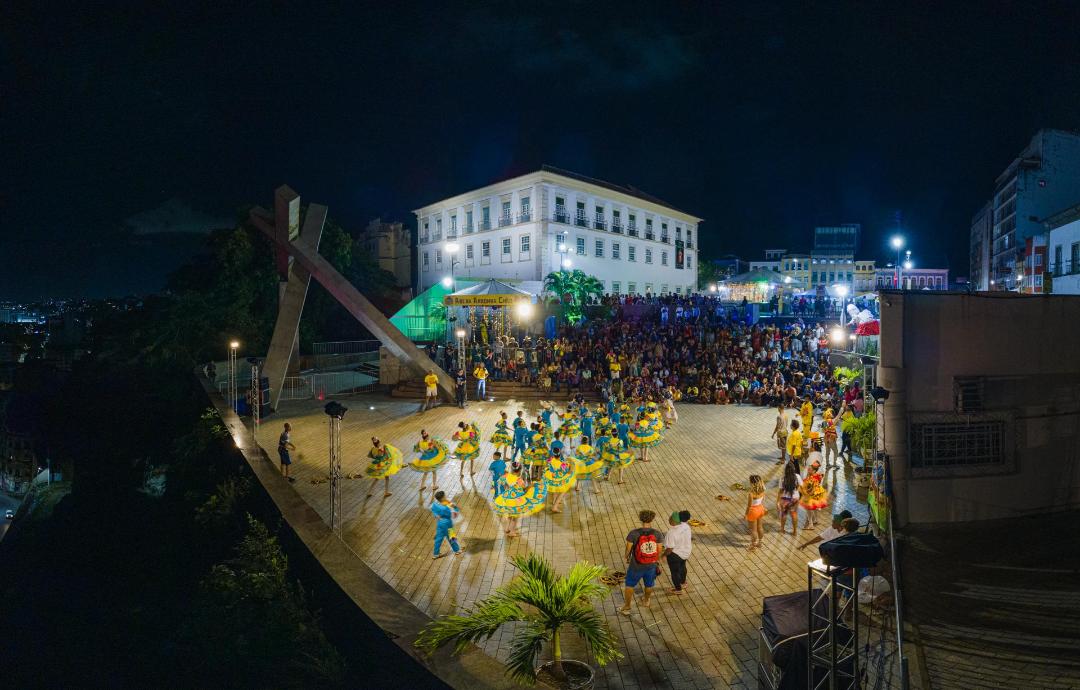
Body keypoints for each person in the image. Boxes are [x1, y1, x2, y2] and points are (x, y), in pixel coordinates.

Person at [619, 510, 664, 615]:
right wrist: (656, 561)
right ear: (652, 519)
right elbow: (659, 550)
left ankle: (627, 607)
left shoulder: (633, 533)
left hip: (636, 565)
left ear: (640, 519)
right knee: (649, 584)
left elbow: (628, 548)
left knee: (629, 585)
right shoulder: (657, 534)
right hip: (651, 565)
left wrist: (626, 557)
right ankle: (646, 600)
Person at [491, 460, 547, 538]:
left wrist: (506, 488)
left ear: (511, 469)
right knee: (515, 517)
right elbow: (524, 489)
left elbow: (500, 482)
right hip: (516, 500)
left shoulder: (506, 476)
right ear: (520, 471)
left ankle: (507, 528)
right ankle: (512, 532)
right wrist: (531, 486)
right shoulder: (519, 480)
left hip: (506, 498)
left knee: (510, 514)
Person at [664, 510, 692, 595]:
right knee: (683, 566)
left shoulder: (671, 533)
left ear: (673, 520)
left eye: (670, 518)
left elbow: (670, 549)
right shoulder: (686, 526)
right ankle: (683, 583)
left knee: (675, 572)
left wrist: (663, 555)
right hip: (686, 552)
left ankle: (678, 589)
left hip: (675, 555)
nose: (668, 519)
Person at [543, 446, 576, 513]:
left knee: (555, 488)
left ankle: (554, 501)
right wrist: (570, 465)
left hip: (551, 478)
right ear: (560, 454)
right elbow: (567, 471)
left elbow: (546, 467)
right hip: (559, 479)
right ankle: (555, 507)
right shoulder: (562, 463)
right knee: (563, 490)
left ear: (553, 454)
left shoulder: (549, 460)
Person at [430, 491, 463, 559]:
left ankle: (436, 554)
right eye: (445, 496)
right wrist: (455, 508)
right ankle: (457, 550)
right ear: (442, 498)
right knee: (451, 536)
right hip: (447, 523)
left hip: (439, 523)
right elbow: (454, 512)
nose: (446, 496)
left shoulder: (434, 504)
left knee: (438, 538)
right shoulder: (446, 506)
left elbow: (433, 510)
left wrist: (436, 516)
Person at [799, 459, 830, 529]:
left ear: (814, 470)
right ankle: (816, 520)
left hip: (811, 495)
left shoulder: (810, 478)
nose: (808, 470)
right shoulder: (818, 476)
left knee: (809, 509)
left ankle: (811, 524)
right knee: (815, 507)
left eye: (809, 469)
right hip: (818, 494)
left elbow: (807, 487)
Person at [776, 463, 801, 536]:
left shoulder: (782, 478)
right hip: (795, 498)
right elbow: (800, 486)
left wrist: (777, 501)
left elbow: (781, 491)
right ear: (794, 469)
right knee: (794, 514)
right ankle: (795, 531)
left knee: (784, 514)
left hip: (785, 498)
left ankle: (782, 529)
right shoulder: (797, 477)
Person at [745, 474, 767, 549]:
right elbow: (763, 500)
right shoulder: (763, 489)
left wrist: (746, 514)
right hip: (761, 509)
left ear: (752, 483)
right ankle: (760, 542)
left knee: (753, 530)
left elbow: (749, 506)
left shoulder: (751, 494)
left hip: (753, 511)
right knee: (760, 527)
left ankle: (753, 545)